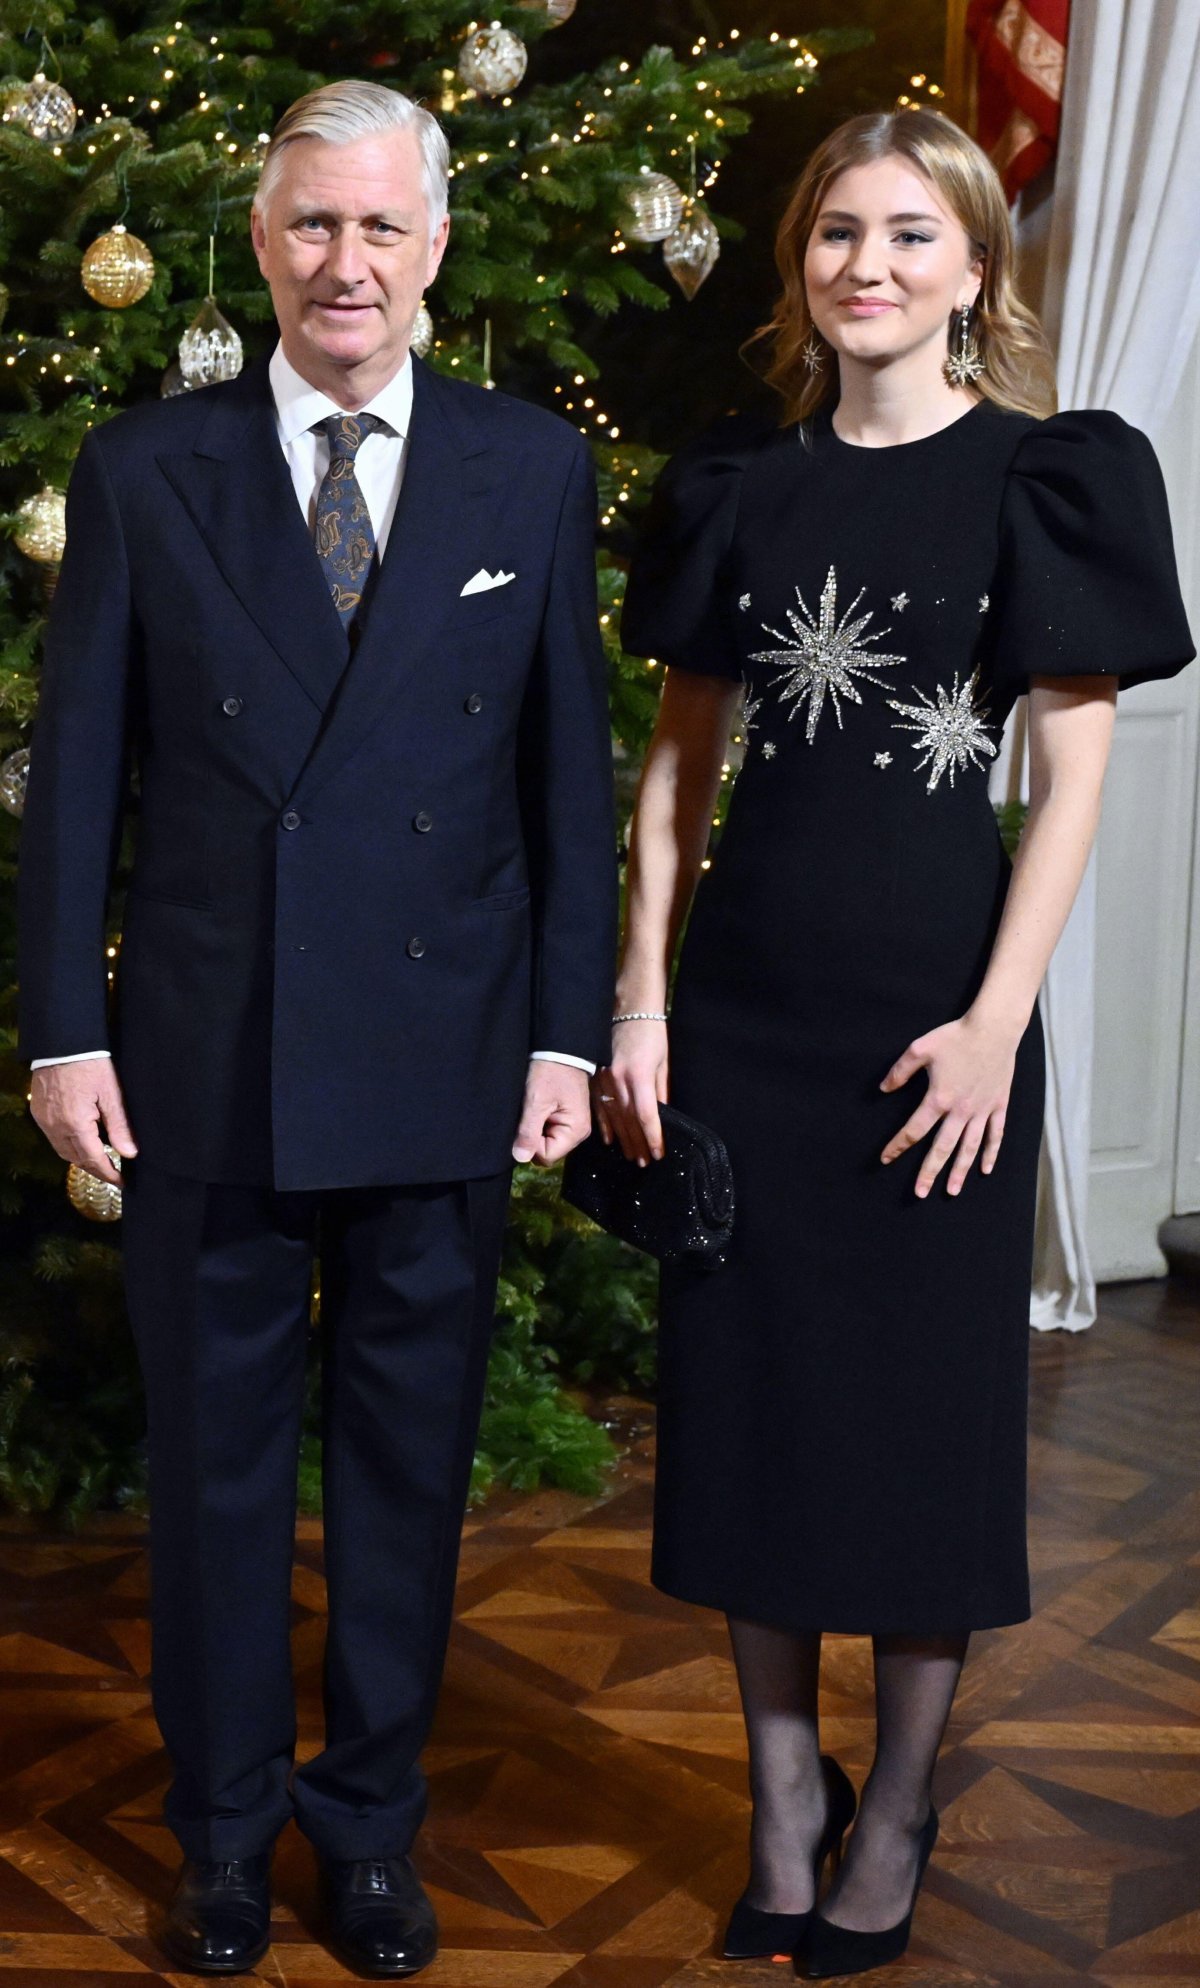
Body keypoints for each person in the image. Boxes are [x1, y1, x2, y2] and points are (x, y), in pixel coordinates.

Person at [18, 80, 616, 1980]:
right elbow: (78, 781)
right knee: (211, 1473)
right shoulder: (145, 468)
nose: (345, 263)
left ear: (433, 247)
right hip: (205, 1051)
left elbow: (568, 781)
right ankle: (219, 1839)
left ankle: (368, 1832)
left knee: (406, 1473)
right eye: (310, 225)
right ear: (262, 244)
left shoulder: (529, 465)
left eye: (379, 227)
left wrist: (565, 1036)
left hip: (448, 1051)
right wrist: (63, 1030)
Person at [608, 108, 1194, 1980]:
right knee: (755, 1418)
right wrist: (640, 1002)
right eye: (838, 232)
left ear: (972, 270)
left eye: (910, 235)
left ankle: (902, 1804)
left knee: (918, 1427)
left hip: (939, 1025)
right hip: (745, 1025)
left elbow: (1074, 778)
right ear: (803, 264)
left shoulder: (1047, 477)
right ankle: (787, 1800)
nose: (868, 265)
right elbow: (676, 779)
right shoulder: (740, 490)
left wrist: (995, 1030)